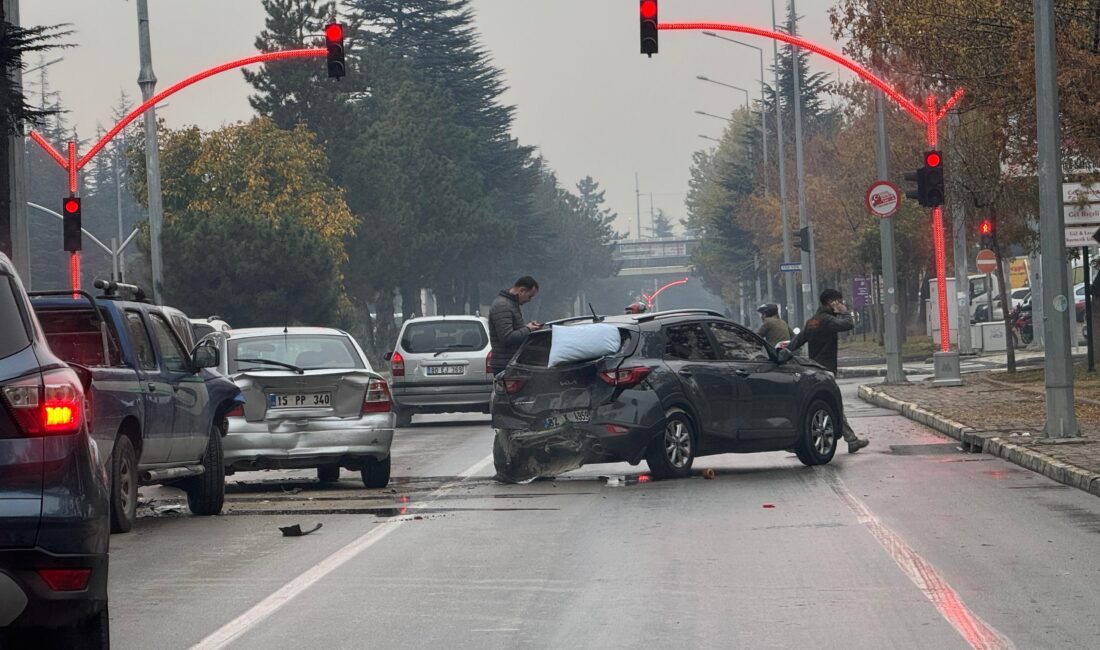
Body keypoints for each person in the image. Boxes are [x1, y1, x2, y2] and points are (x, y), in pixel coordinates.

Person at [788, 289, 870, 453]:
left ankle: (851, 439)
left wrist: (785, 352)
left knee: (827, 405)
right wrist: (845, 312)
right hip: (826, 369)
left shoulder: (813, 321)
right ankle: (850, 440)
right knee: (832, 405)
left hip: (813, 368)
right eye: (839, 301)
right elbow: (848, 324)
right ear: (831, 302)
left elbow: (797, 341)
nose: (841, 304)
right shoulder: (827, 320)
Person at [488, 276, 541, 375]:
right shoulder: (502, 306)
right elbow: (507, 337)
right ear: (522, 290)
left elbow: (512, 329)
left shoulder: (510, 304)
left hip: (509, 361)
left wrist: (528, 327)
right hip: (505, 364)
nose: (530, 300)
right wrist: (528, 329)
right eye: (530, 296)